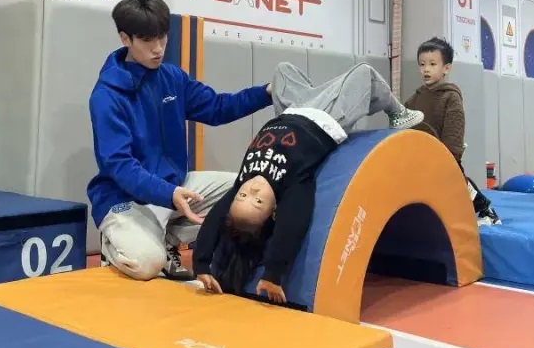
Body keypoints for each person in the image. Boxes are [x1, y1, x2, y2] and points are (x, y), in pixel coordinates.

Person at [192, 62, 423, 303]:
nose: (252, 189)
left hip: (292, 110)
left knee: (282, 70)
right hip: (327, 118)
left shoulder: (244, 179)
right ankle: (398, 112)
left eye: (242, 196)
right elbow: (291, 225)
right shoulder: (293, 185)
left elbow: (216, 217)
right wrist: (273, 274)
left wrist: (201, 264)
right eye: (258, 201)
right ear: (273, 211)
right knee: (364, 74)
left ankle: (324, 92)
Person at [88, 0, 274, 282]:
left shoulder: (172, 77)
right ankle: (114, 245)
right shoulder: (106, 96)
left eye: (162, 37)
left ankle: (166, 236)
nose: (158, 48)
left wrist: (266, 93)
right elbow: (119, 166)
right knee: (147, 264)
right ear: (125, 39)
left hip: (175, 186)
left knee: (246, 192)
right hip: (126, 199)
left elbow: (218, 107)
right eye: (147, 40)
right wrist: (168, 193)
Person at [405, 37, 501, 225]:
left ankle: (486, 210)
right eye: (422, 64)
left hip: (445, 155)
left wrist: (451, 155)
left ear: (446, 68)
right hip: (422, 155)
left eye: (432, 64)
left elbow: (455, 128)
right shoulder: (414, 99)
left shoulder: (450, 97)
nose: (426, 69)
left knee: (459, 184)